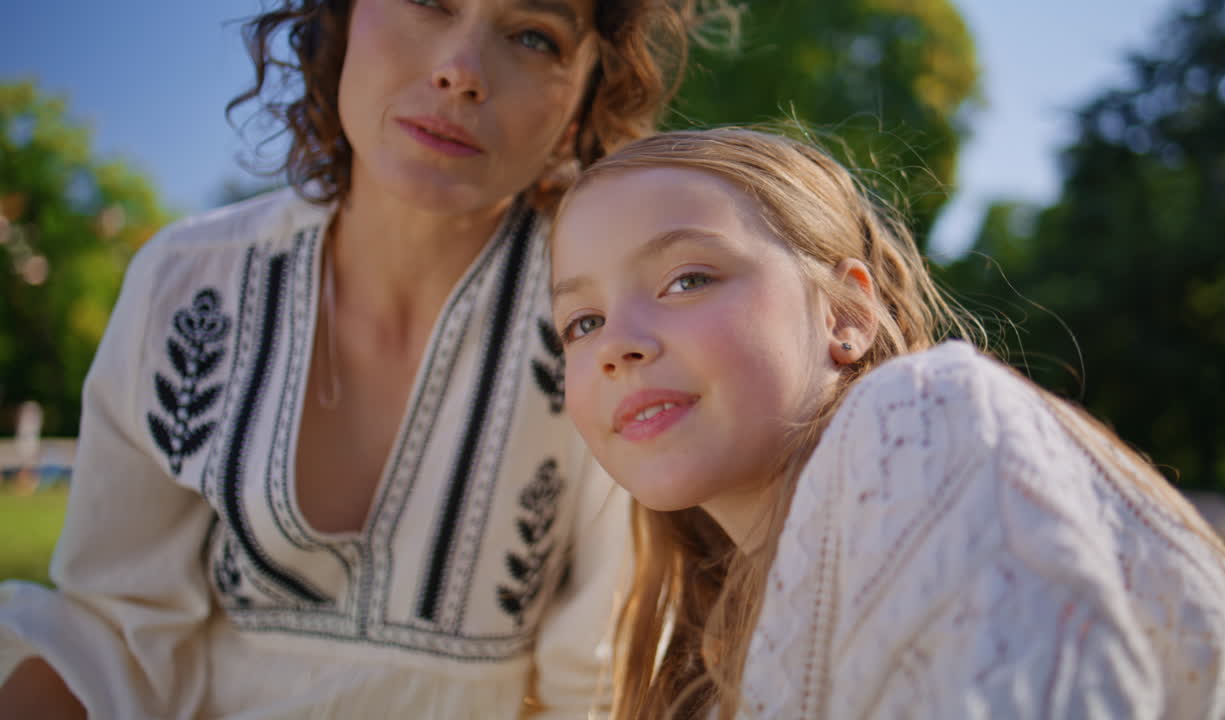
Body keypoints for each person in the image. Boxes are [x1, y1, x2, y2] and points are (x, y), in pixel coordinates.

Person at [0, 1, 737, 717]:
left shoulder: (614, 316)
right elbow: (115, 639)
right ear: (340, 19)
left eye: (534, 36)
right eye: (427, 2)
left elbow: (600, 679)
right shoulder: (189, 281)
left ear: (585, 94)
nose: (462, 71)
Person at [548, 127, 1225, 719]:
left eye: (687, 280)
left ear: (848, 314)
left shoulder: (924, 420)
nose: (617, 343)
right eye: (582, 321)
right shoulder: (710, 659)